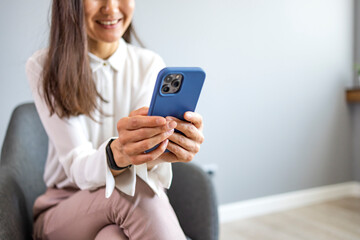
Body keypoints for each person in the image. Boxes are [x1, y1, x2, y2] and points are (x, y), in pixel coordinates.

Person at [25, 0, 204, 239]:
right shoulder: (43, 66)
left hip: (127, 215)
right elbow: (76, 165)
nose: (111, 7)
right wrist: (117, 153)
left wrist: (162, 148)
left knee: (111, 236)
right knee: (134, 191)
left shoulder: (149, 64)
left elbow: (144, 167)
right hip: (64, 210)